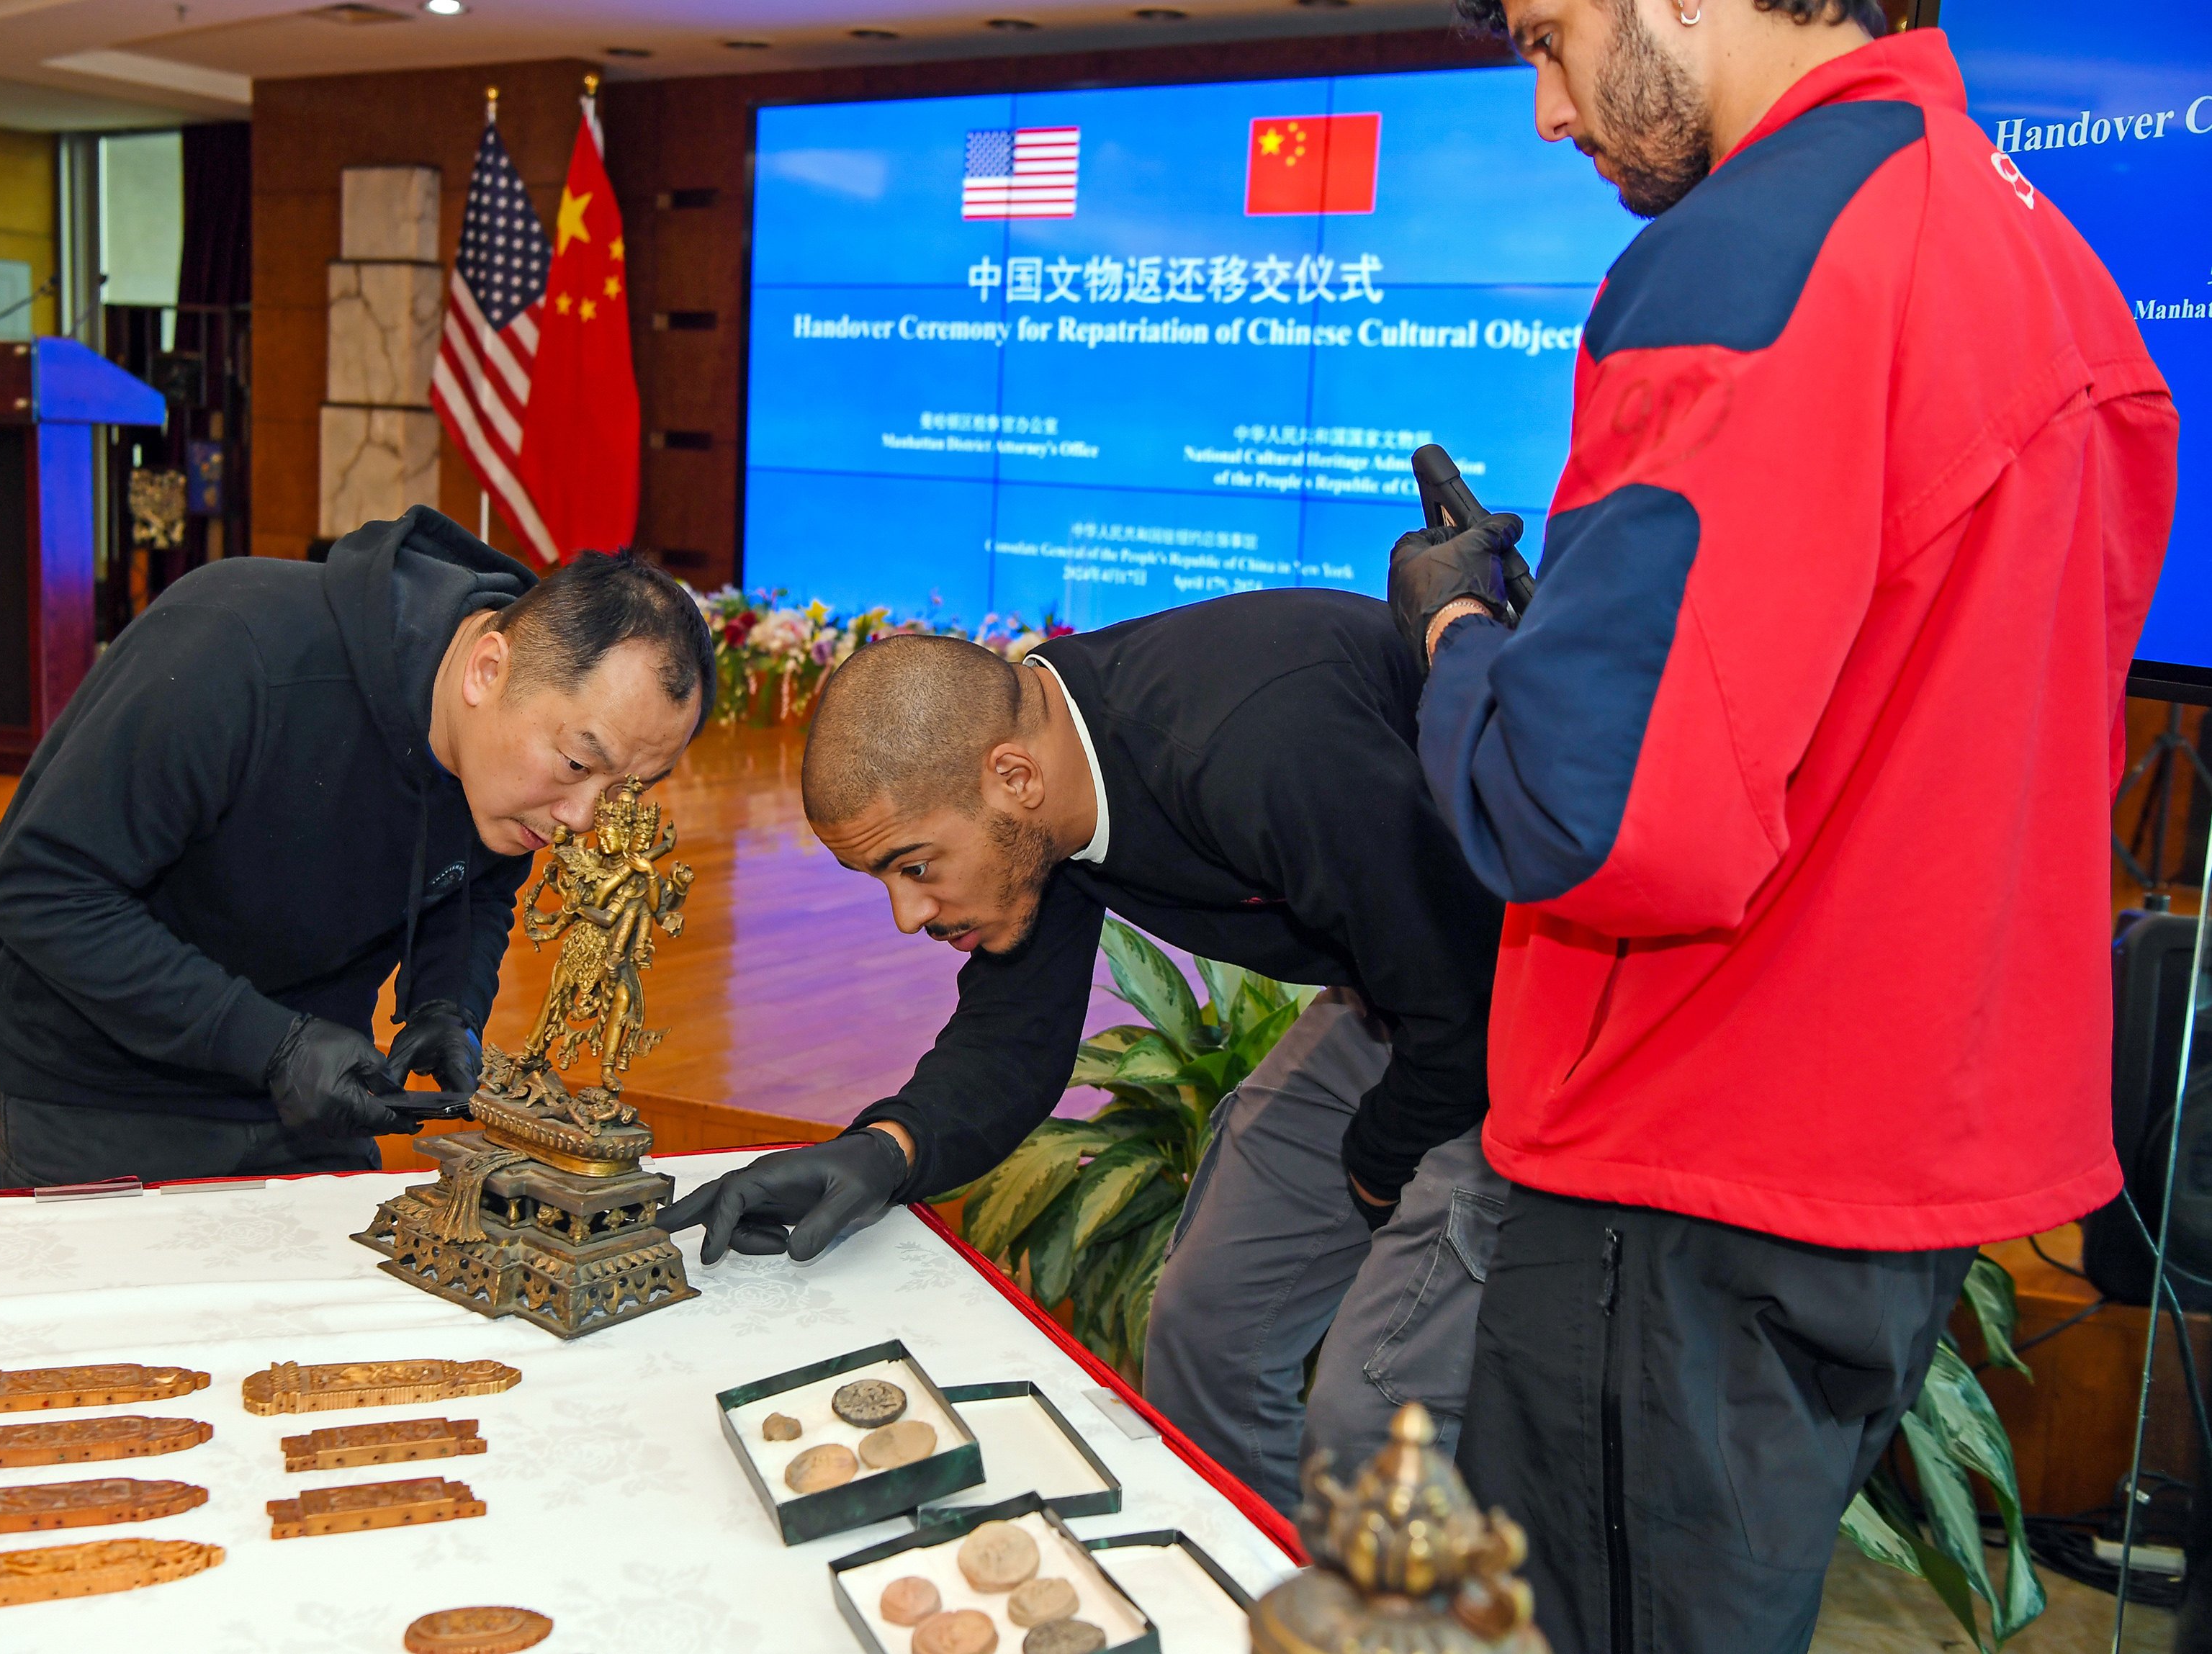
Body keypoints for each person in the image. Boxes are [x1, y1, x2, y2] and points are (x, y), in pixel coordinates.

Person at [1390, 0, 2179, 1648]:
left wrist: (1459, 642)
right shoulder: (2042, 254)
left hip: (1690, 1161)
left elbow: (1592, 820)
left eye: (1549, 37)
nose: (1545, 108)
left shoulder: (1754, 248)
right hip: (1886, 1162)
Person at [661, 595, 1505, 1509]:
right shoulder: (1039, 780)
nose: (907, 915)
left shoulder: (1253, 744)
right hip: (1407, 984)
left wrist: (1377, 1167)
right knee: (1208, 1331)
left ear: (1013, 776)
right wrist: (884, 1148)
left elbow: (1465, 997)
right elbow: (1014, 1032)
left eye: (913, 866)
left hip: (1527, 1002)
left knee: (1371, 1415)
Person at [0, 506, 714, 1190]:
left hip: (309, 1082)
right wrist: (272, 1043)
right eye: (579, 764)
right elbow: (42, 893)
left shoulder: (512, 764)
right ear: (488, 669)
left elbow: (473, 883)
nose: (583, 816)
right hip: (99, 1079)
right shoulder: (236, 650)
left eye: (626, 790)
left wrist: (446, 1000)